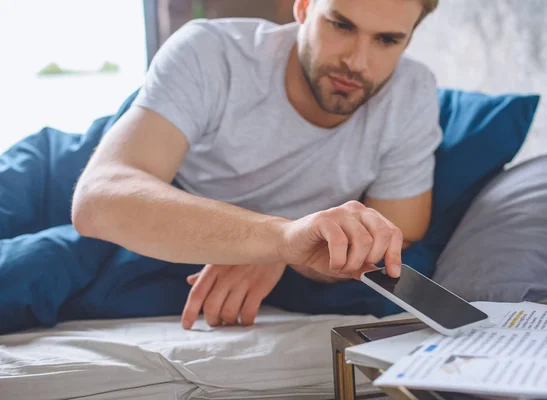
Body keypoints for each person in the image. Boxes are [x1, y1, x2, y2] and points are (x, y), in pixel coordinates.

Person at [71, 0, 442, 330]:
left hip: (212, 230)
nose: (357, 62)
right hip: (106, 175)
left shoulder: (412, 92)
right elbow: (97, 200)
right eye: (341, 25)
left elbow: (397, 237)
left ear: (407, 41)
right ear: (303, 8)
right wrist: (276, 240)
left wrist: (284, 250)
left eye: (387, 40)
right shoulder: (211, 51)